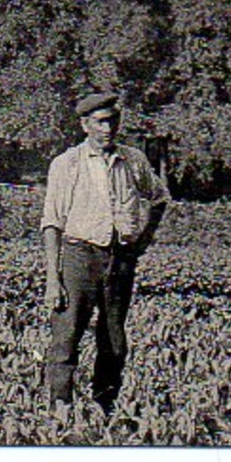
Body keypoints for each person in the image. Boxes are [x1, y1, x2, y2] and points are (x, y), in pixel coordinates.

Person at [39, 91, 168, 419]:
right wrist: (53, 279)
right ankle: (60, 411)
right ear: (85, 125)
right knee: (66, 337)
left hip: (120, 259)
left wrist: (142, 240)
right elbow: (52, 223)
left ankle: (104, 409)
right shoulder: (66, 164)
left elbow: (159, 198)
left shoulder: (133, 160)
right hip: (79, 256)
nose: (108, 128)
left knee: (114, 340)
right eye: (100, 122)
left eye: (113, 120)